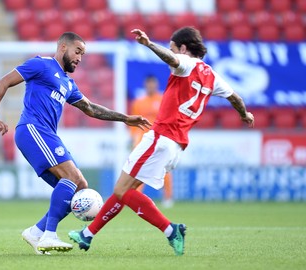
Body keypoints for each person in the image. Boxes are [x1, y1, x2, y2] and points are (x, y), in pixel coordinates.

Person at [68, 27, 255, 256]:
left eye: (173, 47)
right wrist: (245, 114)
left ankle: (170, 230)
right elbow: (236, 98)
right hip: (176, 145)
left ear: (183, 48)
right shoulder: (212, 75)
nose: (171, 52)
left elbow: (172, 59)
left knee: (120, 189)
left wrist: (148, 44)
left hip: (161, 137)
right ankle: (87, 235)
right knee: (129, 189)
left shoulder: (186, 63)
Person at [0, 32, 151, 255]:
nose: (80, 58)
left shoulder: (67, 83)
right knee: (71, 178)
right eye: (78, 52)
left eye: (83, 54)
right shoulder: (41, 64)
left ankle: (36, 232)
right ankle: (49, 235)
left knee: (79, 187)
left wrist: (125, 118)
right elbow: (3, 82)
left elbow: (91, 108)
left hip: (46, 134)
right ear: (63, 47)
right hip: (32, 129)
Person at [130, 75, 174, 208]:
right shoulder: (138, 102)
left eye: (152, 84)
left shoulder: (163, 100)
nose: (150, 86)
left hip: (160, 139)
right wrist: (134, 138)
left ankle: (168, 197)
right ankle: (136, 198)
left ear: (155, 85)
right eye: (148, 84)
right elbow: (133, 123)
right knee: (139, 169)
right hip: (143, 140)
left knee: (164, 168)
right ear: (145, 85)